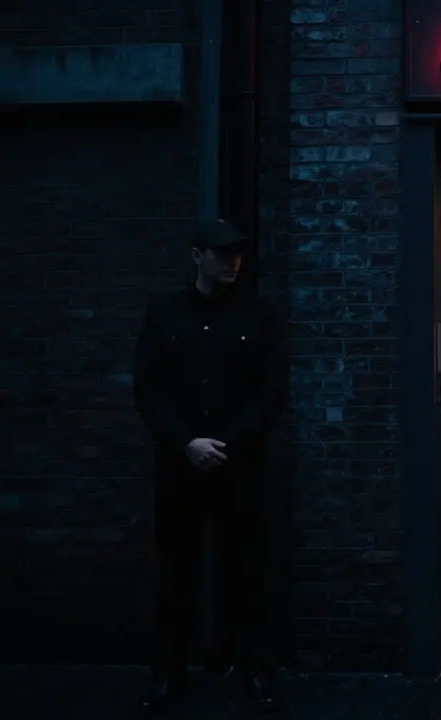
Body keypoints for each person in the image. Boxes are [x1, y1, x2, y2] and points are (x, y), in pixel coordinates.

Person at [132, 219, 289, 714]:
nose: (232, 262)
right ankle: (168, 675)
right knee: (175, 573)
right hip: (180, 466)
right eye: (222, 253)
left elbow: (271, 393)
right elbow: (148, 389)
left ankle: (256, 672)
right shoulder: (164, 315)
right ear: (196, 255)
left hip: (239, 467)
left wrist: (223, 443)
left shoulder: (259, 317)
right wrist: (186, 443)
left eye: (237, 254)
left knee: (249, 573)